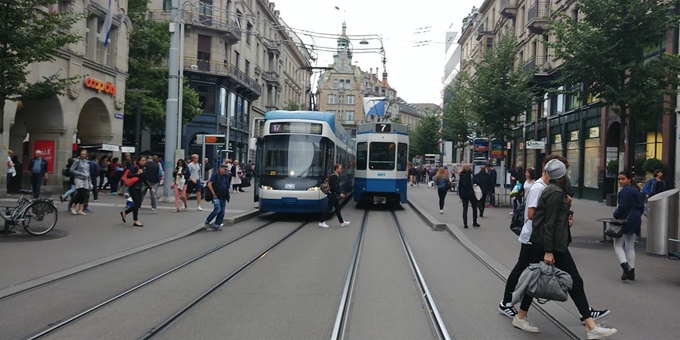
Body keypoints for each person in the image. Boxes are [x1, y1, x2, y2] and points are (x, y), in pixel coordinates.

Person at [513, 159, 617, 339]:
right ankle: (590, 327)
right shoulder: (554, 192)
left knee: (538, 278)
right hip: (551, 245)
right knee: (574, 281)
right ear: (562, 175)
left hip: (548, 243)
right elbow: (549, 223)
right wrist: (548, 250)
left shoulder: (554, 190)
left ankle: (521, 315)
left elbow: (549, 219)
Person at [613, 171, 644, 281]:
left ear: (629, 179)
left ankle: (626, 267)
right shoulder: (637, 190)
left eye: (623, 179)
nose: (620, 181)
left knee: (618, 244)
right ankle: (632, 270)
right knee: (630, 246)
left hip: (625, 220)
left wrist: (615, 215)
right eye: (619, 179)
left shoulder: (625, 191)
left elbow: (623, 206)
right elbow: (641, 207)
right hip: (636, 220)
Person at [120, 156, 153, 227]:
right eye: (142, 160)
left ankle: (125, 212)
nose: (144, 162)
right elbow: (128, 175)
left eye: (145, 160)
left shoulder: (144, 168)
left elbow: (144, 179)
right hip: (133, 187)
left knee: (138, 204)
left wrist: (150, 187)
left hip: (139, 188)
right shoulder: (135, 167)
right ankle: (135, 220)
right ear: (139, 161)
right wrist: (137, 173)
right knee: (137, 204)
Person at [319, 164, 350, 228]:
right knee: (329, 208)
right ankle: (322, 222)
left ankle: (342, 222)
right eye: (340, 168)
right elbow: (333, 187)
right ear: (336, 169)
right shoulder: (334, 177)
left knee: (337, 208)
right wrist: (340, 193)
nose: (341, 170)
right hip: (331, 195)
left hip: (332, 195)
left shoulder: (334, 176)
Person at [205, 164, 231, 230]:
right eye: (225, 170)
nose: (226, 171)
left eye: (226, 170)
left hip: (223, 196)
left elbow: (227, 186)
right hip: (216, 196)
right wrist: (213, 194)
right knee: (217, 209)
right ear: (221, 168)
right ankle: (207, 221)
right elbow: (209, 184)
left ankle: (217, 225)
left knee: (222, 212)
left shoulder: (225, 176)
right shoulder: (215, 174)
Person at [69, 149, 91, 215]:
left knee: (84, 194)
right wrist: (80, 174)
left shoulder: (87, 162)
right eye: (82, 154)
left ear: (86, 154)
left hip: (86, 179)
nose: (83, 155)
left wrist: (89, 178)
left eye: (84, 154)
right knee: (80, 193)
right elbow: (71, 170)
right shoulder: (77, 161)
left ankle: (80, 209)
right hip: (79, 178)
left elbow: (88, 171)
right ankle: (73, 207)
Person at [458, 164, 479, 228]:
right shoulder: (471, 175)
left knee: (465, 209)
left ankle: (465, 223)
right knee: (474, 208)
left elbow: (460, 186)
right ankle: (474, 222)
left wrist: (460, 195)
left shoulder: (461, 176)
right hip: (471, 193)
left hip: (464, 194)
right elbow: (475, 183)